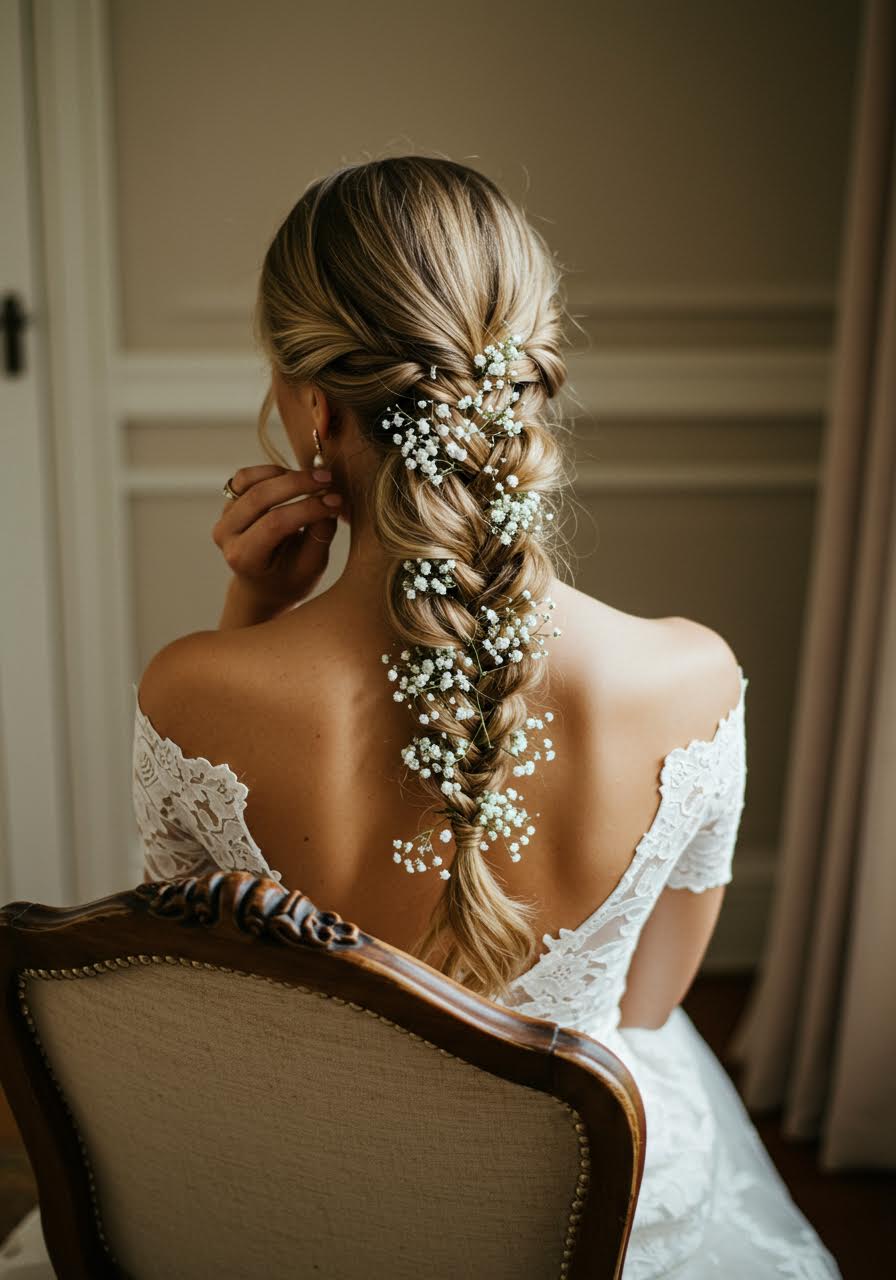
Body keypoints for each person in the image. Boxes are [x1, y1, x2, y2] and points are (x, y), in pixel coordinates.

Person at [0, 156, 840, 1278]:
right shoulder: (691, 676)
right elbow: (643, 1006)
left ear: (309, 405)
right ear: (529, 379)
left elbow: (210, 984)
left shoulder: (195, 689)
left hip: (294, 1212)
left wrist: (250, 616)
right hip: (568, 1208)